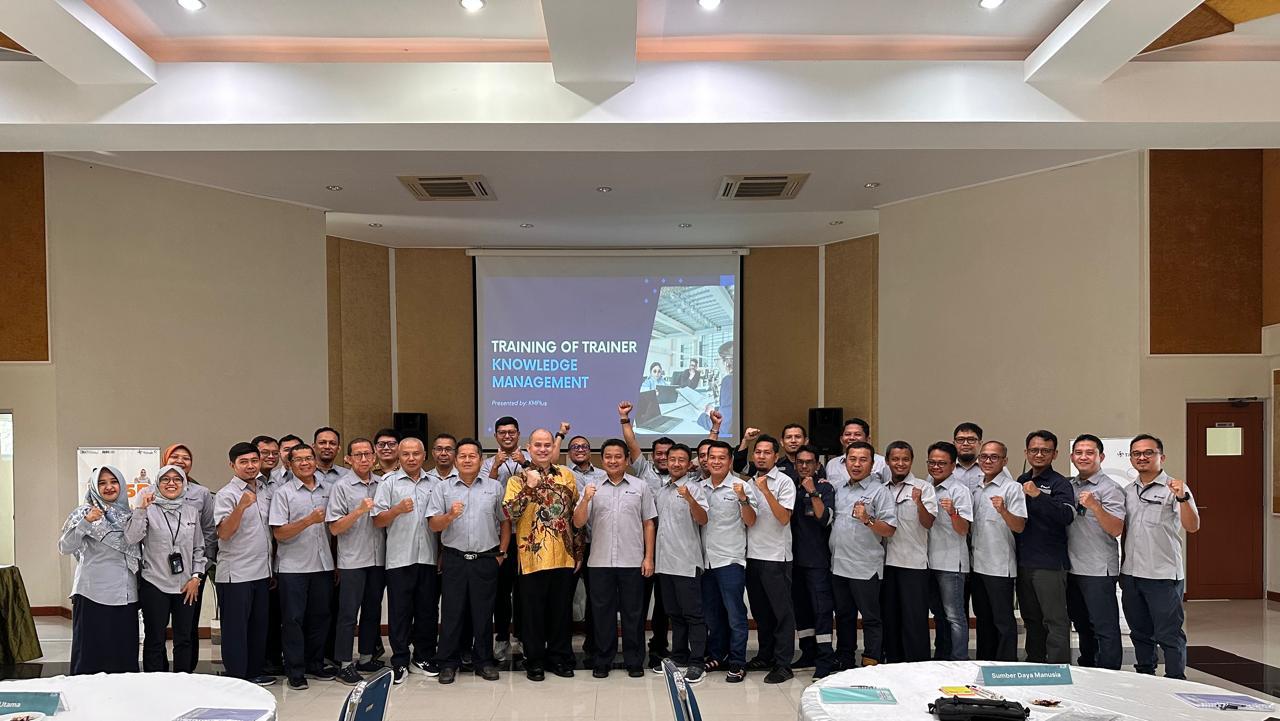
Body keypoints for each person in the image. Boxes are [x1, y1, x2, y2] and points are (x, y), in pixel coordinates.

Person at [427, 437, 511, 683]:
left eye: (472, 456)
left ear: (481, 460)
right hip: (455, 559)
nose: (467, 460)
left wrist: (501, 553)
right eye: (462, 456)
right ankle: (448, 662)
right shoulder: (443, 488)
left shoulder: (494, 487)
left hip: (486, 559)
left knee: (483, 614)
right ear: (455, 460)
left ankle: (483, 661)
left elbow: (505, 522)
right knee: (452, 613)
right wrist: (450, 516)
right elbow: (433, 524)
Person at [574, 437, 656, 678]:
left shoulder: (640, 486)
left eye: (618, 456)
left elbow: (648, 523)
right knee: (602, 614)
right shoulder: (592, 488)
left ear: (627, 459)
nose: (613, 461)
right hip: (600, 562)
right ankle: (603, 659)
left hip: (632, 561)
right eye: (608, 457)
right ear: (602, 460)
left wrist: (649, 557)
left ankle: (634, 660)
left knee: (634, 613)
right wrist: (586, 499)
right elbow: (578, 522)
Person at [506, 428, 584, 680]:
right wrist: (529, 487)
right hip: (531, 557)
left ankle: (560, 658)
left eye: (547, 445)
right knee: (533, 614)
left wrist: (579, 551)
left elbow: (575, 516)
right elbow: (510, 514)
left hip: (563, 555)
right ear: (528, 448)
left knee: (561, 612)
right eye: (537, 445)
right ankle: (535, 661)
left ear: (553, 447)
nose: (542, 449)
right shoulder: (516, 480)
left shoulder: (567, 476)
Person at [1121, 434, 1200, 679]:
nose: (1142, 457)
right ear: (1131, 458)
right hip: (1131, 573)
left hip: (1162, 575)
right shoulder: (1127, 491)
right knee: (1139, 632)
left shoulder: (1175, 488)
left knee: (1168, 633)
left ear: (1161, 457)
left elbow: (1193, 526)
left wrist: (1182, 497)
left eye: (1149, 452)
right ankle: (1145, 674)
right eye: (1136, 453)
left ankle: (1176, 678)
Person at [59, 465, 146, 675]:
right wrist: (86, 522)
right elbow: (64, 547)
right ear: (94, 487)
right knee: (90, 656)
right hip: (93, 593)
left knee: (123, 656)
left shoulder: (131, 515)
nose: (109, 487)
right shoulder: (84, 512)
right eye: (102, 483)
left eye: (113, 482)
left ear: (122, 485)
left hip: (126, 595)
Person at [373, 437, 441, 683]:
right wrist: (397, 510)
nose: (411, 458)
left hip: (428, 557)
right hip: (399, 558)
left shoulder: (435, 483)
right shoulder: (388, 482)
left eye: (416, 454)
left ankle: (422, 657)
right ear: (399, 456)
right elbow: (377, 520)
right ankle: (400, 660)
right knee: (400, 612)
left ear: (424, 456)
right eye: (406, 454)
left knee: (427, 611)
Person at [269, 443, 336, 689]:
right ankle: (295, 670)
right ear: (289, 464)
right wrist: (308, 521)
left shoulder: (328, 490)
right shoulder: (283, 493)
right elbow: (279, 533)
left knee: (321, 617)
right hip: (293, 568)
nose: (306, 463)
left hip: (323, 564)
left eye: (309, 458)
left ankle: (315, 664)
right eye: (299, 459)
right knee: (293, 620)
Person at [213, 442, 276, 686]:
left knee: (258, 626)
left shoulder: (265, 490)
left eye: (254, 460)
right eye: (243, 462)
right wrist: (240, 506)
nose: (250, 466)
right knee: (236, 629)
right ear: (232, 465)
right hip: (236, 574)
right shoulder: (226, 494)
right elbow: (224, 533)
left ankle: (254, 672)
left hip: (261, 571)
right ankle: (237, 676)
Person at [326, 437, 387, 684]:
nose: (364, 459)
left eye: (368, 454)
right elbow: (335, 528)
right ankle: (344, 663)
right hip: (353, 560)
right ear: (348, 459)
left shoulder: (382, 484)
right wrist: (359, 511)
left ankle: (366, 657)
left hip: (378, 558)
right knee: (348, 614)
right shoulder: (341, 487)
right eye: (358, 455)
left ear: (374, 457)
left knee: (373, 610)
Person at [830, 442, 895, 669]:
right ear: (845, 462)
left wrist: (868, 519)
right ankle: (845, 657)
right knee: (844, 616)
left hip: (865, 566)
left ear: (872, 463)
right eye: (852, 459)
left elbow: (889, 529)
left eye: (863, 460)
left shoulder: (880, 491)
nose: (856, 464)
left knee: (870, 617)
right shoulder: (840, 489)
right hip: (839, 564)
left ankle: (871, 658)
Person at [1015, 430, 1076, 664]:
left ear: (1055, 454)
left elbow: (1066, 516)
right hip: (1023, 561)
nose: (1039, 454)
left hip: (1049, 563)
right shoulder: (1021, 480)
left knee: (1055, 620)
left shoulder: (1060, 483)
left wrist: (1038, 495)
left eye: (1045, 450)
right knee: (1031, 619)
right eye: (1034, 450)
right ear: (1026, 452)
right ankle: (1035, 663)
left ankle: (1058, 667)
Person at [1065, 434, 1126, 670]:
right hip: (1072, 568)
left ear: (1101, 457)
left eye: (1089, 453)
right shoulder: (1069, 486)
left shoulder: (1110, 488)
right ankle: (1088, 667)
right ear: (1072, 457)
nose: (1084, 457)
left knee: (1104, 627)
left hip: (1098, 569)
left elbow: (1116, 528)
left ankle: (1110, 673)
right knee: (1081, 625)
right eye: (1079, 453)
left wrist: (1095, 506)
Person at [138, 464, 206, 672]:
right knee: (155, 638)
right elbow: (131, 538)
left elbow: (199, 548)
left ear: (184, 484)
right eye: (165, 479)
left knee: (184, 637)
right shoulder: (148, 510)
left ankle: (182, 679)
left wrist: (196, 577)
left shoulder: (191, 512)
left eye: (177, 479)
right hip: (154, 582)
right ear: (157, 484)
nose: (171, 483)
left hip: (186, 585)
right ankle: (155, 681)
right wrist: (140, 510)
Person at [699, 440, 757, 683]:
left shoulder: (741, 487)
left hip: (730, 559)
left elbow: (751, 521)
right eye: (712, 457)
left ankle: (737, 661)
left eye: (722, 457)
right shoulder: (699, 487)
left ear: (730, 461)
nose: (716, 462)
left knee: (735, 614)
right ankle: (716, 655)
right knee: (712, 614)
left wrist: (742, 499)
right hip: (705, 560)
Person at [618, 404, 672, 667]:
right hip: (644, 549)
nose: (663, 458)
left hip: (671, 549)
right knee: (638, 603)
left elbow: (709, 451)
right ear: (652, 455)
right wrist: (624, 419)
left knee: (665, 604)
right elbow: (632, 443)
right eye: (659, 453)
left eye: (668, 454)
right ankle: (635, 648)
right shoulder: (644, 471)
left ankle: (659, 647)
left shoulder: (685, 476)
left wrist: (715, 429)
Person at [651, 443, 709, 683]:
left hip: (686, 562)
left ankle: (697, 662)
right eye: (672, 459)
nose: (675, 464)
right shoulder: (662, 491)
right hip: (664, 563)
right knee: (674, 614)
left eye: (681, 460)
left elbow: (703, 519)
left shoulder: (695, 488)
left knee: (693, 615)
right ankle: (680, 657)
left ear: (688, 464)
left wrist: (690, 499)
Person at [743, 434, 797, 683]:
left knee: (781, 613)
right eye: (758, 452)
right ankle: (765, 655)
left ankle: (783, 664)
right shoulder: (748, 482)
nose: (761, 456)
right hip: (752, 554)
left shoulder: (785, 482)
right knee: (760, 611)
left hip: (776, 556)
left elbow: (784, 518)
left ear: (776, 456)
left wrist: (766, 491)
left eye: (767, 452)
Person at [161, 443, 217, 672]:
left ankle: (187, 672)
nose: (180, 461)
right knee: (157, 627)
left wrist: (202, 567)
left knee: (188, 624)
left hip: (193, 571)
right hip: (158, 571)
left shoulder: (201, 493)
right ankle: (158, 672)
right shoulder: (151, 492)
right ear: (165, 460)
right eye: (175, 456)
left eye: (186, 457)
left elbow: (209, 530)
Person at [970, 441, 1027, 661]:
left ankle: (1006, 666)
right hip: (977, 564)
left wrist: (1003, 511)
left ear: (1005, 461)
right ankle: (985, 663)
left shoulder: (1012, 488)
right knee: (983, 619)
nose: (988, 461)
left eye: (994, 457)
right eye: (984, 457)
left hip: (1000, 566)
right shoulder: (976, 487)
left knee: (1003, 621)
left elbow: (1019, 526)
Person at [882, 440, 937, 663]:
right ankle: (894, 662)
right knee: (890, 617)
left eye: (905, 459)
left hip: (914, 563)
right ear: (887, 462)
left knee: (914, 619)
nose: (900, 463)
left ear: (912, 461)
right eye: (895, 459)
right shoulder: (882, 489)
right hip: (887, 563)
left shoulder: (924, 487)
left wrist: (919, 503)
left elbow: (928, 522)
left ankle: (917, 663)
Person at [788, 444, 836, 679]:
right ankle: (808, 653)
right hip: (793, 560)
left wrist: (813, 492)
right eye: (800, 462)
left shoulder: (825, 487)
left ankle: (825, 659)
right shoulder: (790, 486)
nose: (804, 466)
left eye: (809, 462)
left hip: (817, 560)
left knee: (821, 610)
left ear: (817, 465)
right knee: (802, 609)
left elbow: (825, 519)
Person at [924, 442, 973, 661]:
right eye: (932, 462)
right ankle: (942, 656)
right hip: (929, 561)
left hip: (951, 563)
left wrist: (953, 512)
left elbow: (964, 529)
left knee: (954, 616)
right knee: (938, 615)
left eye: (942, 463)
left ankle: (959, 659)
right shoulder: (926, 486)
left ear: (953, 465)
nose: (936, 467)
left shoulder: (959, 491)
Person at [484, 416, 527, 662]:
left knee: (524, 591)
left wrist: (526, 464)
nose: (507, 436)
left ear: (518, 434)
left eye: (511, 432)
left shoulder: (530, 458)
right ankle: (501, 637)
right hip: (499, 535)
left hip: (527, 536)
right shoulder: (486, 463)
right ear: (496, 436)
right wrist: (494, 468)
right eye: (502, 432)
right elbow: (482, 492)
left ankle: (521, 636)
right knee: (501, 591)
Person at [565, 434, 606, 662]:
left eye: (584, 446)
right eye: (575, 447)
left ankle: (593, 645)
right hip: (569, 545)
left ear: (590, 451)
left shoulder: (603, 475)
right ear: (568, 451)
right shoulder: (563, 474)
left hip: (597, 543)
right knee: (564, 597)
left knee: (596, 597)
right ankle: (563, 647)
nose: (580, 449)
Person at [823, 419, 888, 485]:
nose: (852, 438)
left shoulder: (881, 463)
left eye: (857, 434)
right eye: (847, 434)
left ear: (867, 439)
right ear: (841, 439)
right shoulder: (832, 464)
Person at [951, 423, 985, 492]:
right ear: (954, 443)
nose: (965, 443)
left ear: (980, 443)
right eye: (960, 439)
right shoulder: (942, 468)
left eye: (971, 439)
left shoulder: (994, 467)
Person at [715, 342, 734, 437]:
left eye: (717, 359)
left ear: (726, 361)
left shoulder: (728, 380)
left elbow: (723, 427)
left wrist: (701, 416)